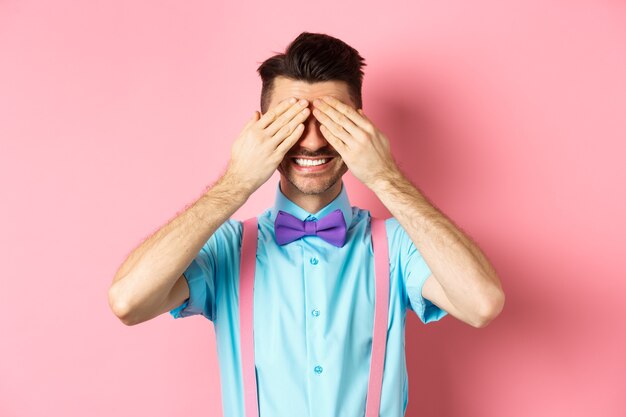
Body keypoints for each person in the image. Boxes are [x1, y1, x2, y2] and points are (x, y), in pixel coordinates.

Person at [108, 31, 505, 417]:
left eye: (332, 120)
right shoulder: (227, 248)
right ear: (260, 131)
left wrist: (386, 178)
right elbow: (128, 301)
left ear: (361, 128)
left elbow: (481, 303)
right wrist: (234, 184)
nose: (312, 141)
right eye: (291, 120)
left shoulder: (396, 246)